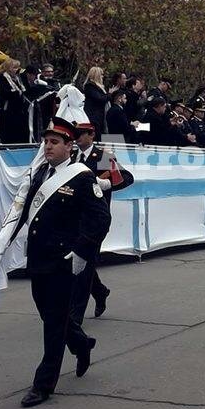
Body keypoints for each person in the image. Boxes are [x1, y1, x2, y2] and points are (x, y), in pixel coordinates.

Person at [11, 117, 110, 408]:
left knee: (53, 322)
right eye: (45, 141)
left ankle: (43, 384)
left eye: (54, 142)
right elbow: (26, 212)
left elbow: (101, 217)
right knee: (49, 315)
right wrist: (4, 243)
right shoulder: (41, 173)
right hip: (39, 257)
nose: (48, 146)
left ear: (70, 145)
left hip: (63, 259)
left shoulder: (81, 176)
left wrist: (82, 251)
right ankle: (81, 343)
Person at [72, 122, 133, 319]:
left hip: (95, 219)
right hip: (74, 217)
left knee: (85, 262)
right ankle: (99, 291)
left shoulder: (102, 156)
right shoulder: (72, 157)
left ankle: (75, 315)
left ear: (92, 134)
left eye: (82, 134)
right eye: (76, 134)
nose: (78, 137)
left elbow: (127, 177)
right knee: (81, 260)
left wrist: (107, 184)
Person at [0, 58, 29, 143]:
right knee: (8, 135)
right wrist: (16, 93)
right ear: (8, 68)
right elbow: (4, 93)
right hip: (6, 111)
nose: (17, 70)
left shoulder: (17, 79)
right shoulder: (0, 78)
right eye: (14, 68)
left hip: (19, 110)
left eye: (17, 68)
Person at [83, 66, 109, 140]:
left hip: (100, 117)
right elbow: (99, 98)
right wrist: (109, 95)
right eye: (101, 74)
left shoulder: (99, 87)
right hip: (93, 117)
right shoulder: (89, 86)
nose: (102, 77)